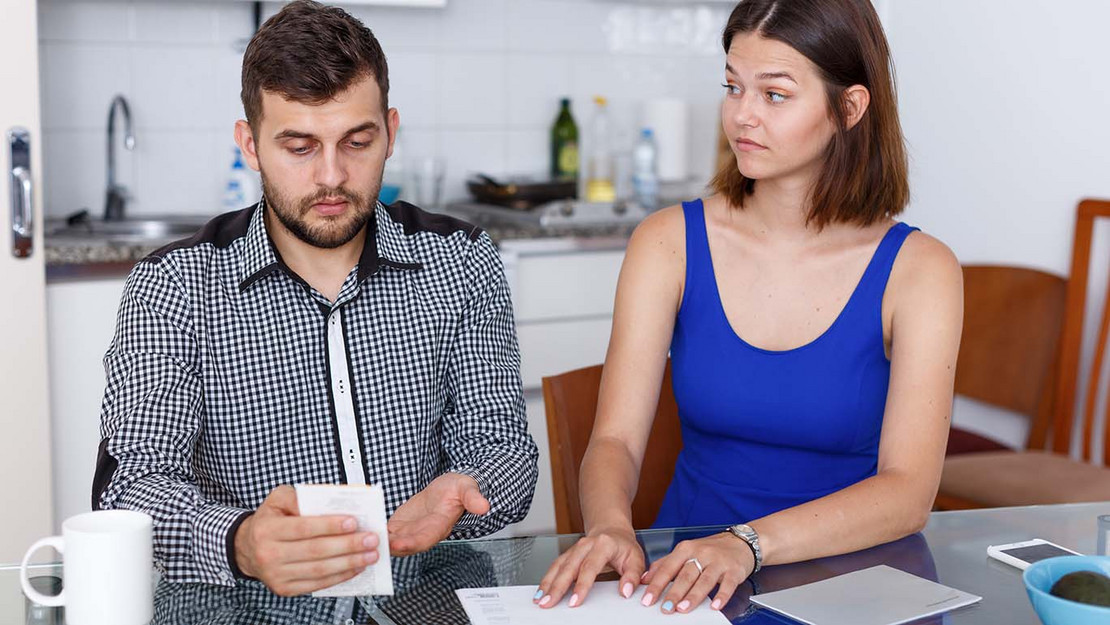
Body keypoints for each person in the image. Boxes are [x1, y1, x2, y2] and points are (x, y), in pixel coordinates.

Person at [92, 0, 537, 597]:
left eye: (357, 141)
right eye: (299, 147)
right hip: (248, 607)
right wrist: (240, 542)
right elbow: (134, 486)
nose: (331, 176)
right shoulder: (174, 287)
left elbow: (502, 446)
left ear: (391, 133)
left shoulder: (461, 262)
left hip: (424, 597)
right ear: (249, 146)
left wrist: (469, 486)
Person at [535, 0, 962, 615]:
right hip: (689, 580)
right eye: (733, 87)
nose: (742, 116)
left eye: (775, 95)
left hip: (858, 581)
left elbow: (908, 493)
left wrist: (747, 545)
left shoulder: (921, 269)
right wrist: (609, 525)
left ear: (850, 107)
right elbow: (616, 442)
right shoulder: (668, 242)